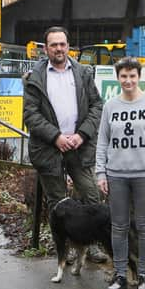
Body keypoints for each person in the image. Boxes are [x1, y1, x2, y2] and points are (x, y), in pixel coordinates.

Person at [23, 26, 107, 263]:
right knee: (58, 205)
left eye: (62, 44)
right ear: (46, 48)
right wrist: (56, 137)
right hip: (49, 149)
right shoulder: (36, 77)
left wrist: (81, 135)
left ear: (68, 46)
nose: (59, 48)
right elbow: (30, 115)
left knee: (92, 197)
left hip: (79, 147)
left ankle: (91, 245)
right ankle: (64, 249)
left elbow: (96, 106)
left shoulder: (83, 73)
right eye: (53, 45)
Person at [96, 57, 145, 289]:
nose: (128, 80)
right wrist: (100, 172)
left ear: (139, 77)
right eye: (123, 76)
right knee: (119, 227)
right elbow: (102, 141)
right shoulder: (110, 106)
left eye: (132, 76)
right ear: (118, 78)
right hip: (116, 175)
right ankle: (120, 275)